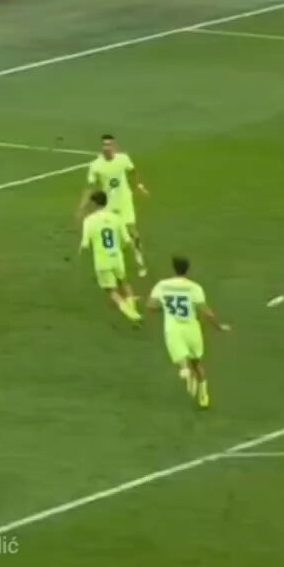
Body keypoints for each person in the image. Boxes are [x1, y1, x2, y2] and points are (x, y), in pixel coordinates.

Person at [147, 256, 231, 409]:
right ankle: (203, 395)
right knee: (197, 363)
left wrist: (165, 306)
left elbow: (151, 306)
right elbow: (206, 311)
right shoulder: (194, 288)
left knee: (181, 358)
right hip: (192, 329)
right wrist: (218, 326)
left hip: (174, 329)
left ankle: (185, 371)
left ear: (173, 268)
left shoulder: (162, 285)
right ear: (188, 269)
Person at [79, 134, 149, 277]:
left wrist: (140, 186)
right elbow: (90, 187)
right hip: (108, 205)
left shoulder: (123, 159)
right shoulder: (96, 165)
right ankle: (114, 264)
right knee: (113, 235)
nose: (107, 147)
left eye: (109, 145)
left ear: (115, 146)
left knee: (133, 233)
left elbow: (133, 172)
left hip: (125, 202)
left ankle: (140, 262)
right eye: (104, 145)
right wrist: (82, 206)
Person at [80, 191, 141, 323]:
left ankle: (131, 314)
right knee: (124, 283)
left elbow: (85, 245)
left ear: (94, 203)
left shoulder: (89, 220)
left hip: (102, 260)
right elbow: (127, 240)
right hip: (117, 257)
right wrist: (135, 256)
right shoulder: (116, 218)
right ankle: (133, 310)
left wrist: (80, 256)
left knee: (111, 290)